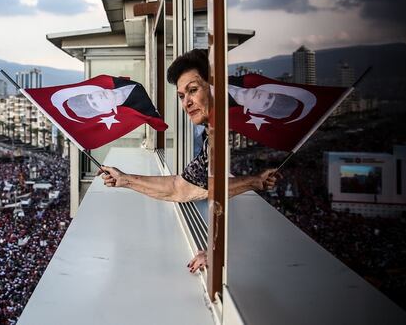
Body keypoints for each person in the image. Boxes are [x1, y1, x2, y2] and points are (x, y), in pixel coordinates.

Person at [98, 49, 280, 271]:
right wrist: (124, 179)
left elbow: (189, 189)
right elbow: (183, 188)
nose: (187, 103)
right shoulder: (211, 133)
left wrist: (217, 251)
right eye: (182, 96)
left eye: (193, 90)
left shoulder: (230, 127)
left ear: (215, 88)